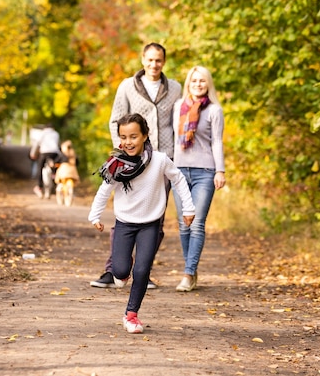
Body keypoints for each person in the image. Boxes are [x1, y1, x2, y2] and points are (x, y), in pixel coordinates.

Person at [88, 113, 195, 334]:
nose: (128, 142)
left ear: (145, 135)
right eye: (124, 137)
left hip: (150, 224)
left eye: (134, 136)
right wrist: (95, 216)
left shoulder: (159, 160)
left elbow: (178, 179)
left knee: (143, 269)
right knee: (119, 271)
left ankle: (131, 315)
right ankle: (123, 272)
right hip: (124, 224)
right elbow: (104, 190)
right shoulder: (116, 165)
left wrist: (188, 208)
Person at [90, 42, 182, 289]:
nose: (154, 64)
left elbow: (178, 122)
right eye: (150, 60)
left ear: (164, 62)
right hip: (131, 161)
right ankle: (113, 270)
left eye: (159, 60)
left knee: (156, 219)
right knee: (125, 216)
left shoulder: (174, 88)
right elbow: (114, 121)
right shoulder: (127, 86)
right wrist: (123, 154)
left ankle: (143, 271)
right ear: (143, 60)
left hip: (161, 159)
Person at [172, 66, 226, 292]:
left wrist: (220, 171)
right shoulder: (178, 107)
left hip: (205, 171)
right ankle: (191, 270)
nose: (198, 84)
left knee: (197, 224)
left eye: (202, 80)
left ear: (208, 84)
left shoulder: (214, 110)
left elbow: (217, 142)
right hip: (179, 171)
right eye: (194, 80)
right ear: (188, 83)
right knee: (184, 225)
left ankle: (188, 273)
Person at [29, 124, 60, 198]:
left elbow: (37, 144)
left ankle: (39, 187)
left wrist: (33, 153)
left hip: (44, 153)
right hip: (54, 153)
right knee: (55, 167)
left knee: (40, 168)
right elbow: (58, 144)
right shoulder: (56, 134)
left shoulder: (42, 133)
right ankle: (55, 180)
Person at [54, 140, 81, 206]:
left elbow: (56, 161)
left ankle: (63, 195)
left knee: (61, 182)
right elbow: (77, 162)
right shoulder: (73, 154)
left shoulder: (62, 154)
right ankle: (69, 195)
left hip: (63, 171)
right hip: (72, 171)